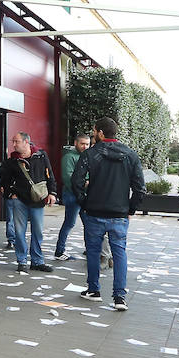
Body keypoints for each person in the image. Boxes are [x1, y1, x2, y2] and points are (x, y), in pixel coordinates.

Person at [72, 116, 146, 311]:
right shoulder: (130, 155)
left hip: (94, 211)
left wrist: (84, 203)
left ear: (101, 133)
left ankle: (94, 290)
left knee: (94, 252)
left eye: (95, 131)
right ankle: (119, 297)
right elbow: (140, 188)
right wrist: (130, 209)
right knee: (119, 253)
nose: (93, 134)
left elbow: (76, 181)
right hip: (119, 214)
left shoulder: (90, 154)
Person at [0, 132, 57, 273]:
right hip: (19, 200)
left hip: (37, 200)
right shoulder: (12, 161)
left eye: (16, 141)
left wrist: (52, 193)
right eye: (13, 141)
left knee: (38, 231)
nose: (14, 144)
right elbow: (4, 179)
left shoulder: (41, 156)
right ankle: (22, 261)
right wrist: (11, 194)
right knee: (19, 231)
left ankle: (37, 261)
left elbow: (49, 175)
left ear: (26, 142)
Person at [54, 133, 91, 260]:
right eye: (82, 144)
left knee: (88, 223)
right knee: (69, 223)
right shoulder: (69, 156)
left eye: (87, 144)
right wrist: (85, 184)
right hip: (72, 194)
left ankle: (89, 249)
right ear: (76, 143)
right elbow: (67, 178)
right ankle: (59, 251)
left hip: (82, 195)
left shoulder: (86, 156)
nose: (85, 146)